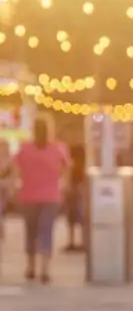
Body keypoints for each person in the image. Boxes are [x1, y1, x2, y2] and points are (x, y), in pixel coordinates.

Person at [13, 120, 69, 283]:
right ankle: (44, 269)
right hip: (50, 195)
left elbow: (16, 168)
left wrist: (16, 184)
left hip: (29, 194)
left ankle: (31, 267)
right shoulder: (58, 148)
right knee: (46, 230)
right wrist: (63, 184)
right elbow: (66, 168)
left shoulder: (25, 148)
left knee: (31, 230)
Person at [64, 135, 86, 252]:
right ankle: (76, 241)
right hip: (75, 186)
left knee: (78, 215)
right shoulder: (71, 151)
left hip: (78, 186)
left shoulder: (82, 153)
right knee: (73, 216)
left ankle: (78, 241)